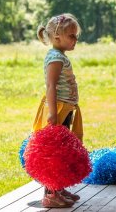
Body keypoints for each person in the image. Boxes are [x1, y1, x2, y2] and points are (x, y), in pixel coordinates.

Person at [33, 13, 83, 208]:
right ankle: (51, 193)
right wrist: (53, 112)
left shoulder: (60, 56)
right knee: (55, 152)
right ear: (56, 37)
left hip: (66, 108)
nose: (75, 40)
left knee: (63, 150)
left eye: (76, 36)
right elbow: (51, 86)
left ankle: (59, 188)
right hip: (59, 108)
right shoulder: (55, 57)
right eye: (71, 35)